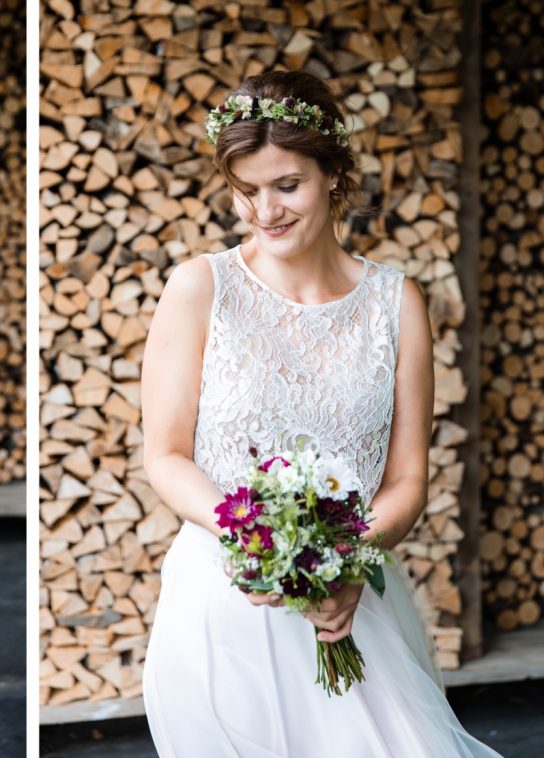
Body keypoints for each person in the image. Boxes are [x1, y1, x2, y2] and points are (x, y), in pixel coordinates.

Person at [140, 70, 500, 757]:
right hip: (224, 605)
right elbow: (166, 454)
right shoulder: (199, 288)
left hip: (354, 600)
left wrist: (347, 563)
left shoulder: (398, 304)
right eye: (247, 190)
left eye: (286, 185)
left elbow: (406, 479)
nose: (264, 210)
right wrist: (260, 544)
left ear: (334, 175)